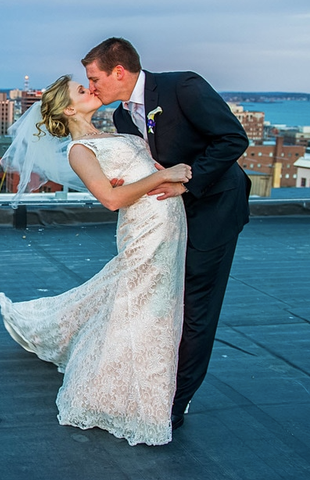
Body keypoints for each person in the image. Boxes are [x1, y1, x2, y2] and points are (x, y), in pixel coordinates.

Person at [0, 75, 192, 446]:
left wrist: (167, 178)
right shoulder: (79, 150)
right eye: (81, 90)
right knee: (139, 306)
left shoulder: (116, 131)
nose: (90, 90)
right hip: (144, 227)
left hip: (169, 221)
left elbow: (141, 173)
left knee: (159, 304)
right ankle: (120, 396)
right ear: (69, 109)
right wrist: (165, 176)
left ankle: (154, 387)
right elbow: (111, 199)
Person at [82, 37, 251, 430]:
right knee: (166, 302)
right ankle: (156, 384)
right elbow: (149, 165)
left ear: (118, 72)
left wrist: (187, 183)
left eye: (94, 78)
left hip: (214, 210)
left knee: (196, 308)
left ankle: (175, 402)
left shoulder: (183, 87)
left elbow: (233, 139)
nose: (91, 87)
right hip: (169, 220)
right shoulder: (123, 118)